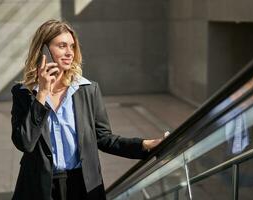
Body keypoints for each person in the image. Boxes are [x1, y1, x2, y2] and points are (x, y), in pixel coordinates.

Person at [11, 19, 166, 200]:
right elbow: (24, 143)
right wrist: (42, 94)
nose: (70, 52)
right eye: (62, 46)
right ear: (43, 51)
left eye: (72, 46)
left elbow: (104, 139)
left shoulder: (87, 89)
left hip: (82, 186)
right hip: (38, 187)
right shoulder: (23, 94)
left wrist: (144, 145)